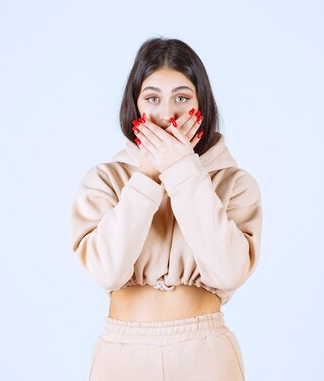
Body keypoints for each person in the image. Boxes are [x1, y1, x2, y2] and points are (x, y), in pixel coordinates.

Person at [70, 37, 263, 380]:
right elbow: (107, 272)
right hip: (123, 353)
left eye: (182, 98)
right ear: (135, 105)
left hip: (205, 354)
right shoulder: (105, 179)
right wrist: (146, 175)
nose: (167, 114)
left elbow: (230, 271)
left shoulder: (235, 182)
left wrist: (183, 172)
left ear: (201, 104)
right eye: (153, 98)